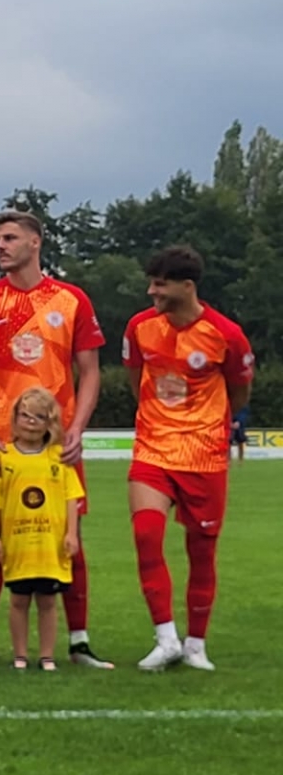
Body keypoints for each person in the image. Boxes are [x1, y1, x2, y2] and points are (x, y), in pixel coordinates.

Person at [0, 210, 109, 669]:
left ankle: (78, 642)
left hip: (57, 445)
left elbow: (90, 371)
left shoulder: (71, 299)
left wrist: (76, 428)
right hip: (3, 444)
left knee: (68, 535)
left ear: (35, 242)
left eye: (9, 238)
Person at [124, 246, 254, 672]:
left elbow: (239, 393)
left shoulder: (226, 334)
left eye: (160, 284)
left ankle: (196, 644)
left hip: (204, 456)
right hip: (154, 448)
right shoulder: (139, 327)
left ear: (187, 286)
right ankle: (166, 639)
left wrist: (207, 424)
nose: (152, 292)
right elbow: (135, 379)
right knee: (146, 535)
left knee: (202, 551)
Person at [0, 388, 84, 672]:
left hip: (50, 546)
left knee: (48, 602)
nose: (30, 422)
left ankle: (47, 655)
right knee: (18, 600)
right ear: (14, 419)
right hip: (18, 545)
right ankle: (21, 655)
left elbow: (71, 498)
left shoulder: (58, 458)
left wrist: (71, 534)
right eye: (25, 415)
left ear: (49, 423)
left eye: (38, 417)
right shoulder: (5, 458)